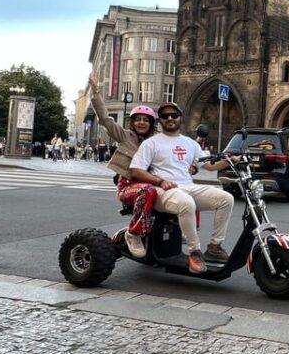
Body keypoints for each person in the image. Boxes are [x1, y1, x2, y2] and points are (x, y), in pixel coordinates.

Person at [130, 101, 236, 274]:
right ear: (160, 120)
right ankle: (194, 252)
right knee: (187, 203)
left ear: (181, 118)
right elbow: (136, 170)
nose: (170, 118)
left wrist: (231, 161)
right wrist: (160, 181)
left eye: (174, 115)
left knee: (226, 199)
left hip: (187, 186)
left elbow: (209, 165)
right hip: (163, 191)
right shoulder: (151, 143)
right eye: (165, 116)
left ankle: (214, 248)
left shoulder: (190, 143)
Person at [89, 74, 160, 258]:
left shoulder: (156, 142)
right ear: (132, 123)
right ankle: (133, 233)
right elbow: (105, 119)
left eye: (146, 120)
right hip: (128, 186)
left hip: (151, 185)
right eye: (138, 119)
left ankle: (181, 232)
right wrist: (96, 92)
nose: (141, 122)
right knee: (147, 190)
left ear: (151, 124)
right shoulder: (125, 136)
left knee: (186, 189)